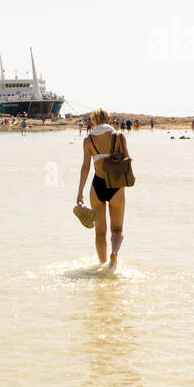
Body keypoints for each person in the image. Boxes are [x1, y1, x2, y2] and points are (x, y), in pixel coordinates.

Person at [76, 107, 128, 269]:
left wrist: (80, 193)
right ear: (109, 119)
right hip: (116, 186)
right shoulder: (119, 136)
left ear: (94, 120)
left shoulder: (88, 140)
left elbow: (85, 167)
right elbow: (127, 159)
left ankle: (102, 264)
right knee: (117, 229)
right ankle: (114, 254)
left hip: (97, 186)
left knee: (99, 232)